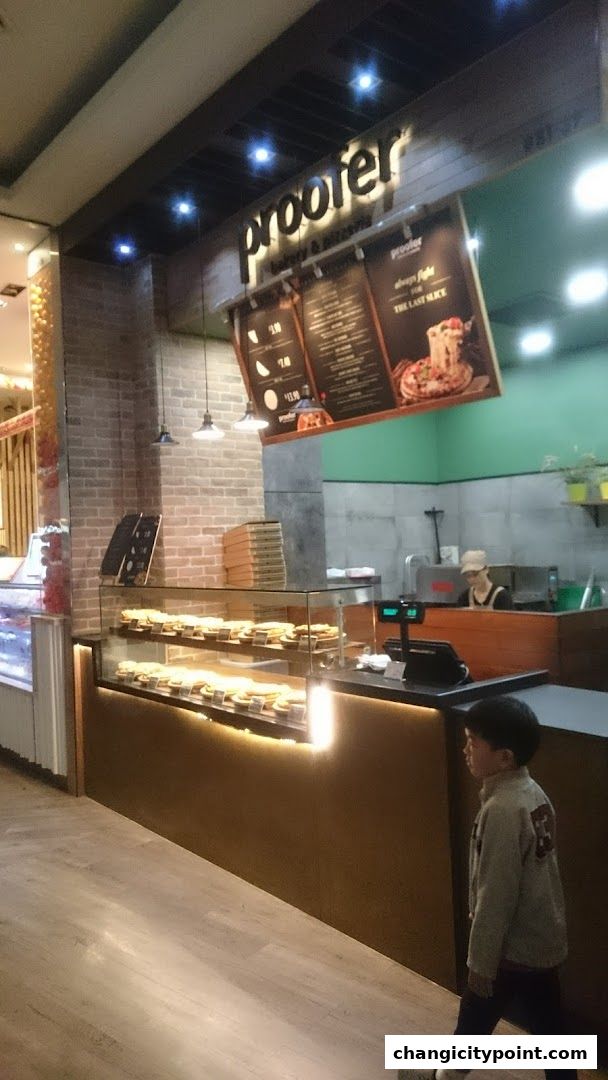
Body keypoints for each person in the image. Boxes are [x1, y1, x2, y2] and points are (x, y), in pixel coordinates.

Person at [398, 695, 574, 1080]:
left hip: (508, 947)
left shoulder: (502, 811)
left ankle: (443, 1077)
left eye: (473, 743)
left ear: (504, 757)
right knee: (549, 1028)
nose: (465, 750)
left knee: (476, 1017)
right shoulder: (532, 792)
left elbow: (497, 892)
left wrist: (480, 961)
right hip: (541, 937)